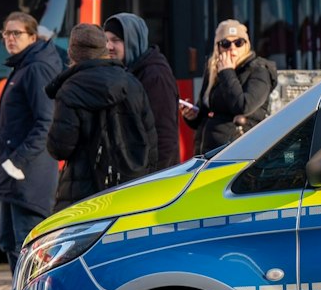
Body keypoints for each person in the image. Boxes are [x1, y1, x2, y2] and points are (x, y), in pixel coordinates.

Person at [0, 12, 63, 290]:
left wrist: (18, 161)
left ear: (33, 37)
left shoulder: (35, 69)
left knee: (28, 249)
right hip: (12, 176)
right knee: (8, 241)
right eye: (6, 33)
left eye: (16, 33)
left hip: (27, 176)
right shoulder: (22, 66)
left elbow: (46, 121)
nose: (9, 38)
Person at [45, 23, 157, 209]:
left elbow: (60, 148)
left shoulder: (69, 89)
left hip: (83, 193)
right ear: (104, 49)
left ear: (71, 53)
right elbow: (151, 140)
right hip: (131, 188)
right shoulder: (131, 82)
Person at [183, 19, 276, 155]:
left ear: (246, 45)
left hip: (238, 153)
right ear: (218, 47)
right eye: (226, 44)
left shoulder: (259, 70)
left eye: (238, 43)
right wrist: (191, 116)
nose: (232, 48)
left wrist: (227, 73)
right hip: (207, 153)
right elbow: (204, 114)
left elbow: (244, 106)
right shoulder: (214, 69)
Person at [105, 13, 182, 173]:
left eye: (116, 40)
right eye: (106, 40)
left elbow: (165, 137)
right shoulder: (126, 72)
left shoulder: (155, 76)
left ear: (132, 41)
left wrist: (155, 180)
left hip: (154, 181)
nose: (109, 47)